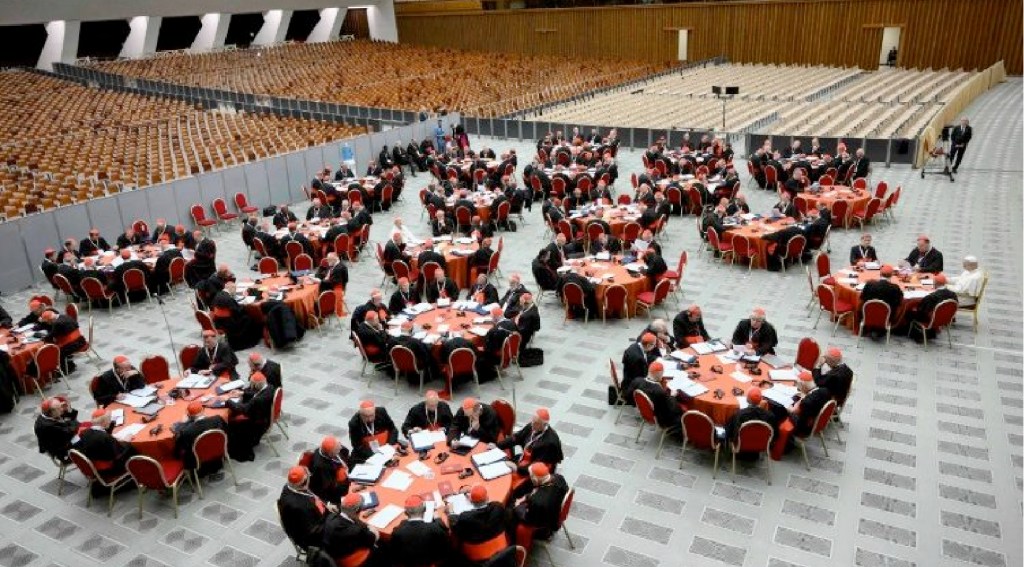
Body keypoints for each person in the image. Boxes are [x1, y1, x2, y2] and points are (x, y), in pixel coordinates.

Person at [495, 408, 563, 494]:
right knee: (500, 469)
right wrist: (497, 446)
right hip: (523, 459)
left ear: (544, 425)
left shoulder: (549, 442)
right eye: (532, 421)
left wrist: (517, 468)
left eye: (536, 423)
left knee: (512, 490)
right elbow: (516, 438)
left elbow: (537, 464)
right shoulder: (532, 426)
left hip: (533, 471)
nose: (532, 425)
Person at [278, 466, 334, 550]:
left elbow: (312, 496)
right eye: (309, 477)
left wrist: (326, 505)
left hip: (313, 520)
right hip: (311, 538)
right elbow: (313, 531)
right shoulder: (301, 506)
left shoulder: (289, 486)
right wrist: (333, 523)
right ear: (304, 483)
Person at [511, 462, 570, 542]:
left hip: (543, 523)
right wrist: (527, 497)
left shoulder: (537, 502)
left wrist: (517, 506)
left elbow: (528, 519)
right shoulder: (559, 478)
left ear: (535, 479)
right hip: (554, 508)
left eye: (531, 476)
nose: (530, 478)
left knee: (510, 514)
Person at [72, 409, 137, 477]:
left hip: (94, 466)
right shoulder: (105, 437)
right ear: (104, 421)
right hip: (109, 471)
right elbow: (118, 453)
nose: (110, 421)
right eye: (109, 419)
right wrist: (126, 441)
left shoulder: (85, 432)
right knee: (131, 448)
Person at [225, 371, 275, 461]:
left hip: (256, 424)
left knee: (230, 422)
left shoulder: (257, 400)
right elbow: (257, 394)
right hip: (264, 417)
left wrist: (227, 401)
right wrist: (242, 393)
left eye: (252, 384)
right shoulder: (270, 387)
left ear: (256, 385)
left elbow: (242, 409)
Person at [389, 497, 451, 566]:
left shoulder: (398, 532)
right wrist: (436, 516)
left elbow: (394, 555)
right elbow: (445, 533)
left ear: (405, 513)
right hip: (430, 562)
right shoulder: (434, 528)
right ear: (424, 510)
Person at [323, 493, 380, 565]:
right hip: (355, 561)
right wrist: (372, 528)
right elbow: (374, 537)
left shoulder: (330, 517)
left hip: (335, 556)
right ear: (358, 509)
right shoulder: (356, 531)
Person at [173, 402, 229, 471]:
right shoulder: (218, 419)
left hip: (197, 461)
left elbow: (179, 447)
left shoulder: (186, 431)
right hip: (219, 451)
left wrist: (183, 424)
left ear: (189, 415)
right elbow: (226, 431)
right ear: (203, 411)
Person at [908, 274, 958, 339]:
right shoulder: (953, 294)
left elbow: (922, 311)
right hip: (945, 320)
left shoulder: (932, 297)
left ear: (935, 283)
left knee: (909, 313)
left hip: (931, 320)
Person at [308, 435, 351, 505]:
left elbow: (346, 456)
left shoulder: (335, 449)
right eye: (337, 450)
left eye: (339, 445)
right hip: (334, 489)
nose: (341, 448)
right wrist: (344, 479)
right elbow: (329, 487)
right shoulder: (320, 467)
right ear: (330, 454)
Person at [859, 264, 903, 329]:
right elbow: (899, 303)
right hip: (887, 317)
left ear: (880, 274)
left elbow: (861, 300)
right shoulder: (895, 288)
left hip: (867, 314)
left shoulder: (869, 284)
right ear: (891, 275)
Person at [621, 332, 659, 400]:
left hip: (629, 379)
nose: (655, 346)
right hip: (632, 389)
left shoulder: (636, 346)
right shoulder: (638, 359)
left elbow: (646, 356)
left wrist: (658, 359)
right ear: (648, 345)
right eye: (654, 345)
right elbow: (640, 378)